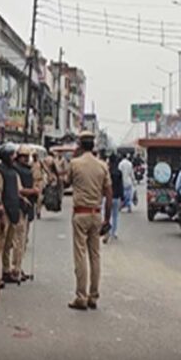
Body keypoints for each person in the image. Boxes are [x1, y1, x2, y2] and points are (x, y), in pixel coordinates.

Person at [66, 131, 112, 310]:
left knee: (80, 255)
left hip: (80, 214)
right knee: (95, 256)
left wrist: (74, 157)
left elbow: (66, 182)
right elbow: (109, 193)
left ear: (79, 145)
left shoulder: (75, 163)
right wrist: (107, 219)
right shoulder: (102, 165)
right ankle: (93, 296)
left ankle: (81, 296)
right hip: (96, 213)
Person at [0, 143, 26, 284]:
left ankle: (6, 270)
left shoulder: (13, 173)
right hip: (4, 211)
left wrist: (22, 199)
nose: (14, 158)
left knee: (8, 244)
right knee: (0, 244)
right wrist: (1, 211)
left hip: (14, 210)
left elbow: (17, 190)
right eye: (12, 155)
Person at [14, 145, 41, 282]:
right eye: (23, 156)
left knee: (23, 240)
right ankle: (15, 268)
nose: (25, 159)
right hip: (19, 207)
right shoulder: (16, 170)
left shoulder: (28, 170)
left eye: (27, 156)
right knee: (18, 240)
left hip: (27, 207)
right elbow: (19, 190)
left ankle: (18, 267)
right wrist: (33, 191)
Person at [107, 154, 124, 243]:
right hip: (116, 197)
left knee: (107, 214)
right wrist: (122, 197)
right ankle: (114, 232)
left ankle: (108, 231)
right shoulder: (119, 172)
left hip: (108, 197)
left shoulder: (107, 172)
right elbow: (121, 186)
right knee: (115, 216)